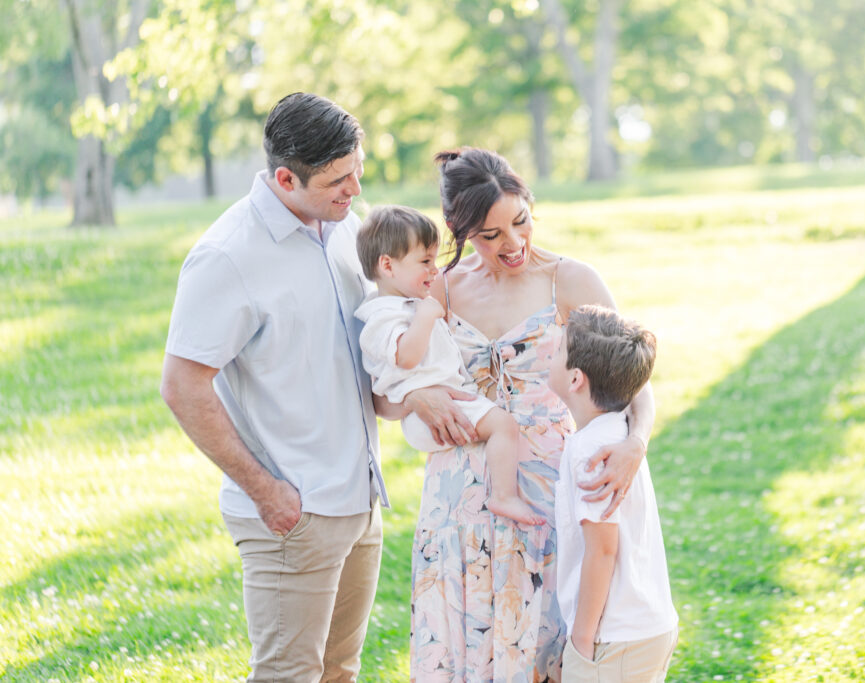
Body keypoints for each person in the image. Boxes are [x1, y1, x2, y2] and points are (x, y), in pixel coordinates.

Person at [398, 148, 656, 682]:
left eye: (520, 221)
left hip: (546, 487)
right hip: (457, 498)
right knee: (462, 645)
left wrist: (637, 443)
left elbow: (633, 380)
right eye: (491, 236)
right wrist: (416, 397)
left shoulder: (571, 281)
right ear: (460, 229)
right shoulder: (440, 289)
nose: (512, 244)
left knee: (544, 644)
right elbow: (391, 376)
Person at [160, 92, 387, 683]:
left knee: (340, 671)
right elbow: (183, 386)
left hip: (360, 505)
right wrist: (266, 493)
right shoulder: (226, 256)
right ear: (286, 178)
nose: (355, 191)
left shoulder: (342, 228)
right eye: (339, 180)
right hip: (294, 513)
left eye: (357, 172)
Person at [354, 205, 544, 526]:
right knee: (504, 426)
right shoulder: (383, 315)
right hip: (426, 414)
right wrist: (427, 316)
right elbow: (407, 357)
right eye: (425, 262)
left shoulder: (404, 306)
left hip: (442, 404)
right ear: (387, 265)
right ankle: (503, 496)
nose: (434, 270)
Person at [548, 305, 678, 682]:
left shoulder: (592, 450)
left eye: (557, 351)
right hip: (645, 626)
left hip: (615, 637)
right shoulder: (617, 431)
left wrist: (582, 639)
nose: (551, 356)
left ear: (575, 379)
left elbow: (602, 549)